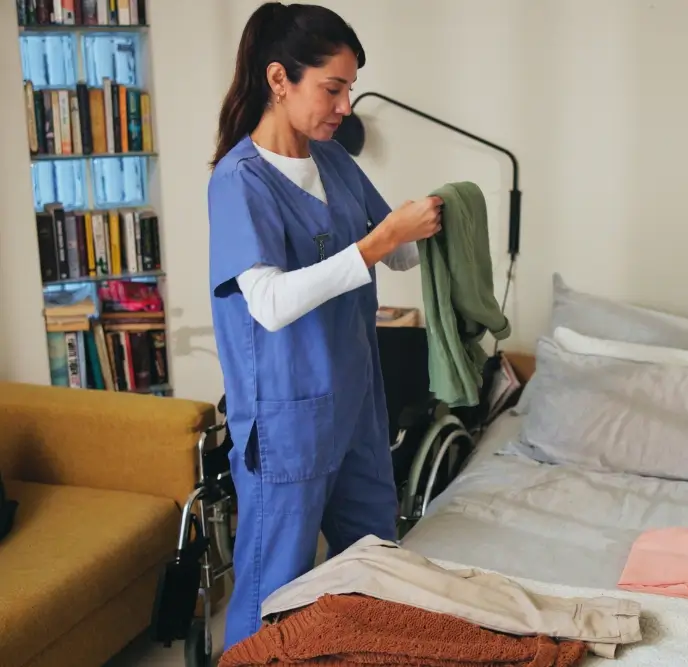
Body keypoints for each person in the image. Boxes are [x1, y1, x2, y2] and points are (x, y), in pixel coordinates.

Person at [206, 2, 443, 650]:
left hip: (357, 407)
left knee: (374, 567)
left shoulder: (333, 160)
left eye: (350, 89)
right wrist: (377, 243)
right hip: (287, 424)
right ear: (279, 79)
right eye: (333, 88)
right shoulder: (239, 181)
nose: (345, 105)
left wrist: (436, 223)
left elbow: (399, 252)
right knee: (272, 591)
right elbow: (270, 303)